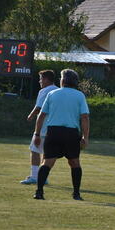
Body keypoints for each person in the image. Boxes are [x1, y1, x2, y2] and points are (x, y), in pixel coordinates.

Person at [32, 69, 90, 201]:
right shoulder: (79, 95)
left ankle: (39, 192)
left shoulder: (52, 94)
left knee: (47, 162)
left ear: (63, 80)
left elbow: (41, 116)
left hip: (53, 132)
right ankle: (76, 194)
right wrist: (85, 137)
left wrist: (37, 134)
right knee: (75, 163)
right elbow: (85, 117)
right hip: (71, 133)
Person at [21, 70, 58, 184]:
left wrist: (30, 116)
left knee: (35, 150)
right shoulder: (58, 90)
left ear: (46, 79)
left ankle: (34, 176)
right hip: (55, 127)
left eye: (41, 78)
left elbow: (39, 108)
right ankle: (43, 177)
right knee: (47, 154)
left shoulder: (45, 90)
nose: (40, 81)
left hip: (43, 127)